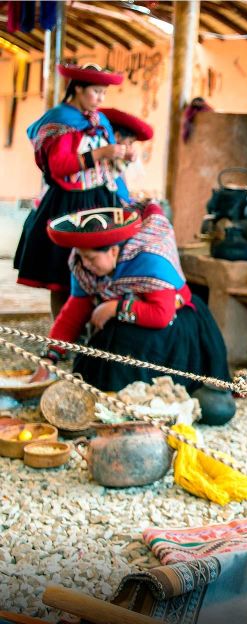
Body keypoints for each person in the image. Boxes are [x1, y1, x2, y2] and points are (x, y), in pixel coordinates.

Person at [30, 204, 231, 404]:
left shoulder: (149, 258)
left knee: (124, 341)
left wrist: (114, 308)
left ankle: (142, 402)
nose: (85, 264)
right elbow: (73, 312)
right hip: (128, 318)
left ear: (113, 251)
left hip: (172, 322)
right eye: (81, 257)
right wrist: (50, 358)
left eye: (91, 258)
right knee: (107, 343)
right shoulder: (82, 266)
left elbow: (161, 314)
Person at [15, 64, 129, 317]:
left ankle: (93, 329)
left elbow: (109, 158)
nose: (100, 98)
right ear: (78, 88)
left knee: (102, 265)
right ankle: (62, 333)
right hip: (68, 201)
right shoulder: (61, 120)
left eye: (103, 93)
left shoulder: (99, 120)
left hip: (100, 198)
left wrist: (120, 155)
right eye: (96, 92)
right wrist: (101, 153)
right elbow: (59, 165)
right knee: (62, 271)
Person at [99, 107, 155, 205]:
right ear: (117, 137)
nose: (131, 147)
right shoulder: (103, 157)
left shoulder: (119, 163)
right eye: (130, 142)